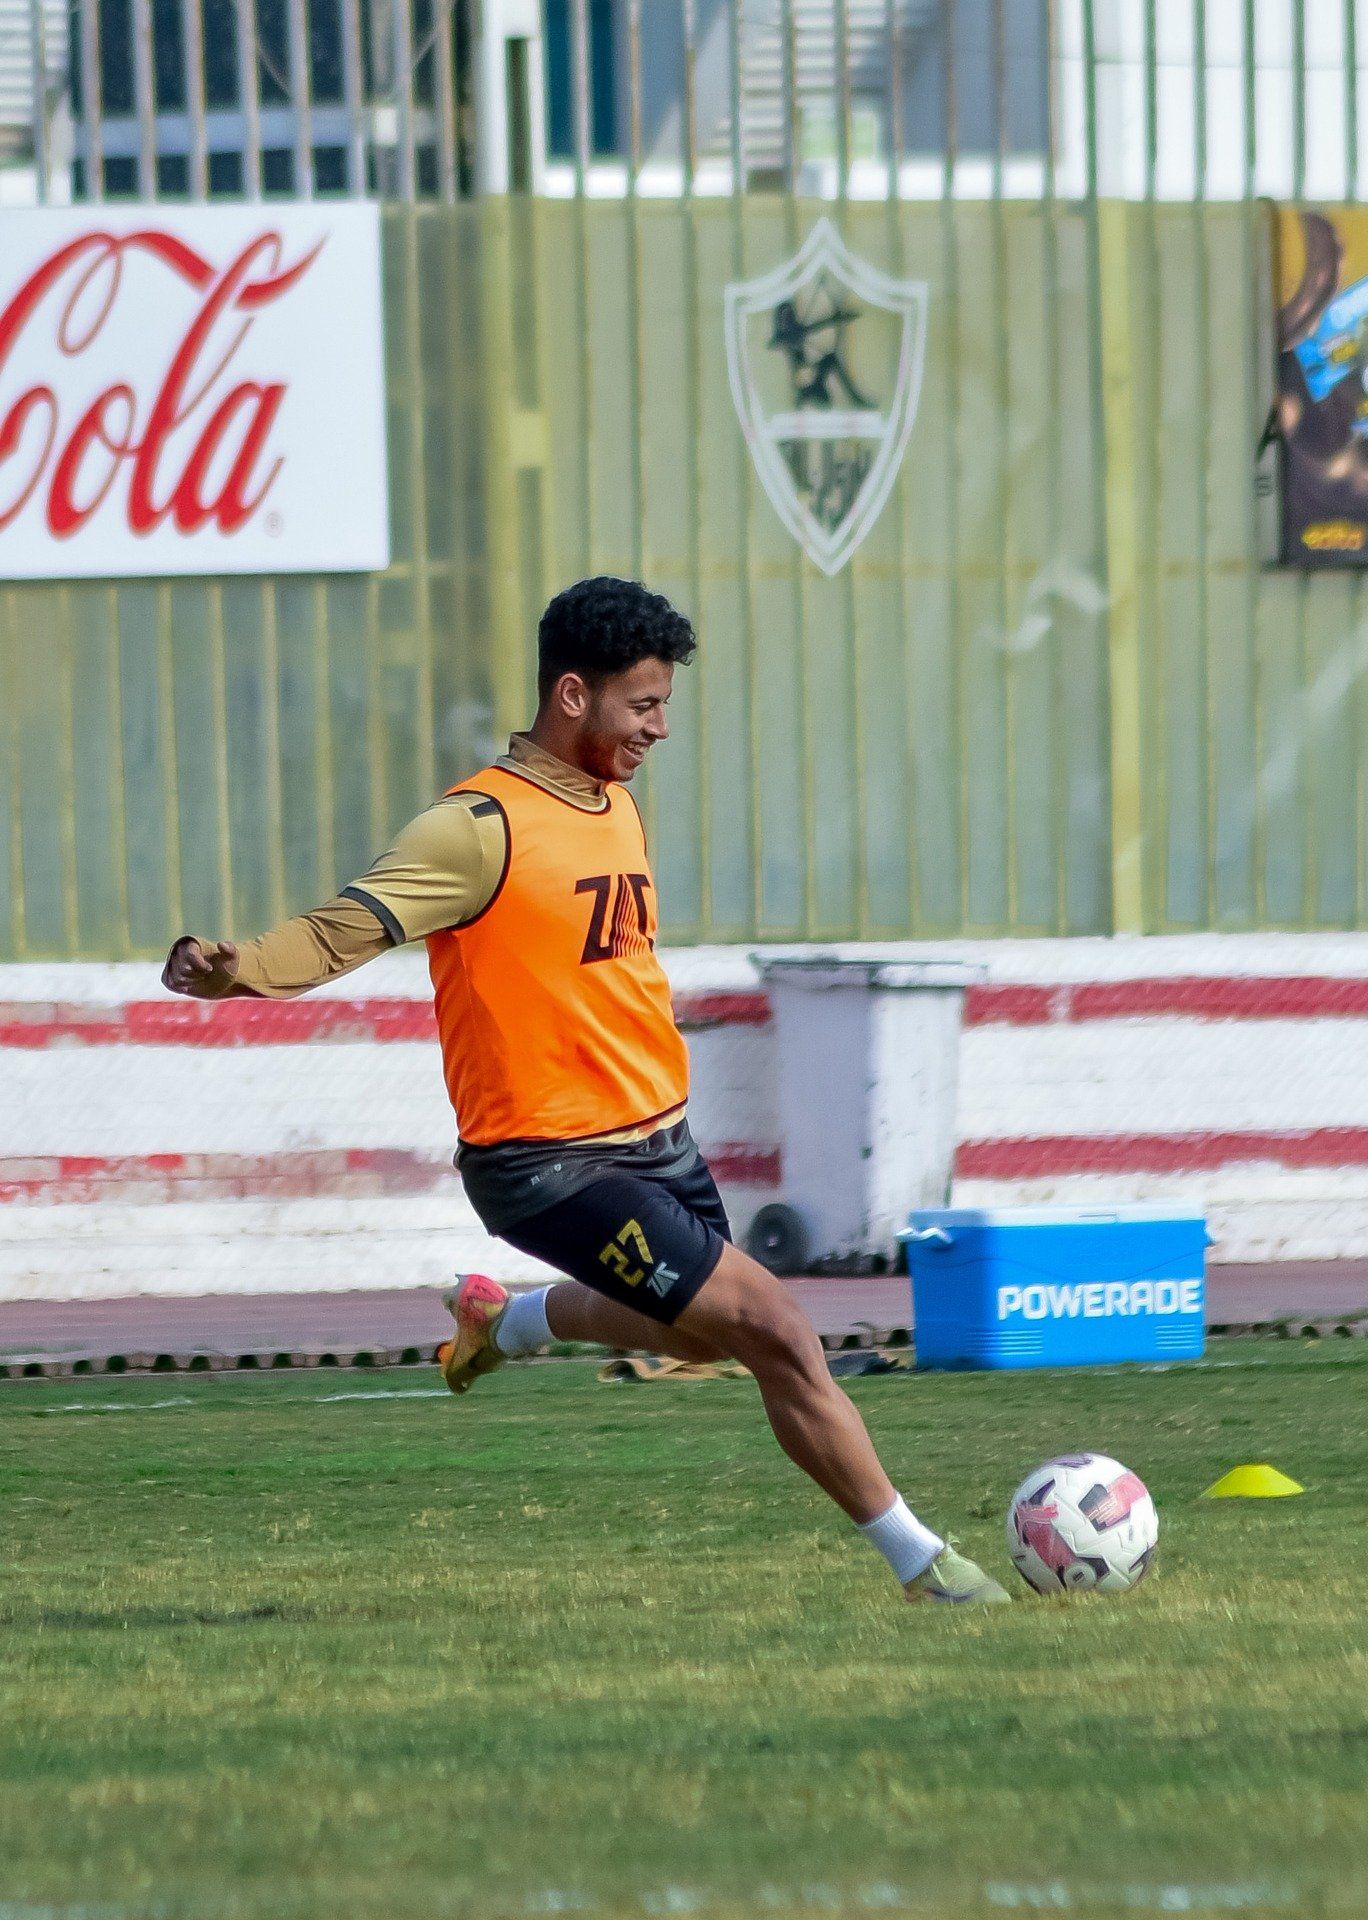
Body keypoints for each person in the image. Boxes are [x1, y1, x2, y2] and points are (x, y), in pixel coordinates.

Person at [162, 576, 1008, 1607]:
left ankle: (502, 1323)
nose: (659, 727)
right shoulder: (477, 826)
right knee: (781, 1329)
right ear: (573, 693)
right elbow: (348, 923)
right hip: (546, 1163)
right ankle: (926, 1565)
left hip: (661, 1143)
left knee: (709, 1336)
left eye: (664, 705)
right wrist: (238, 965)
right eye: (642, 705)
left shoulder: (617, 804)